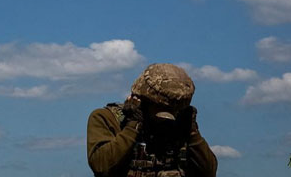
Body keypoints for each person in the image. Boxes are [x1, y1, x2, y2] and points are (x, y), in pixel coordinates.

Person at [87, 63, 217, 177]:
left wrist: (192, 132)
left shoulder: (182, 125)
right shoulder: (108, 118)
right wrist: (133, 125)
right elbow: (101, 166)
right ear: (140, 99)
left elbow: (208, 172)